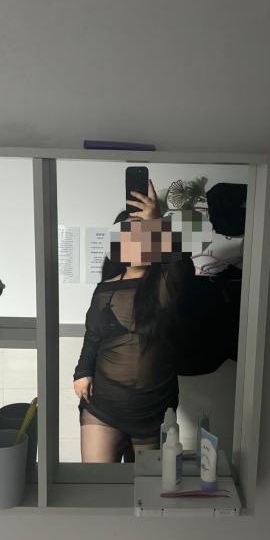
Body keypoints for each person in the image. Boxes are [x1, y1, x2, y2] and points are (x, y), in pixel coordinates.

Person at [72, 180, 192, 463]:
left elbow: (183, 266)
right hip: (103, 407)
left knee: (147, 490)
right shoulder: (106, 288)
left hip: (155, 411)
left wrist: (157, 222)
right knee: (98, 486)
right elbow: (93, 337)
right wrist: (82, 371)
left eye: (144, 236)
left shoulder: (167, 285)